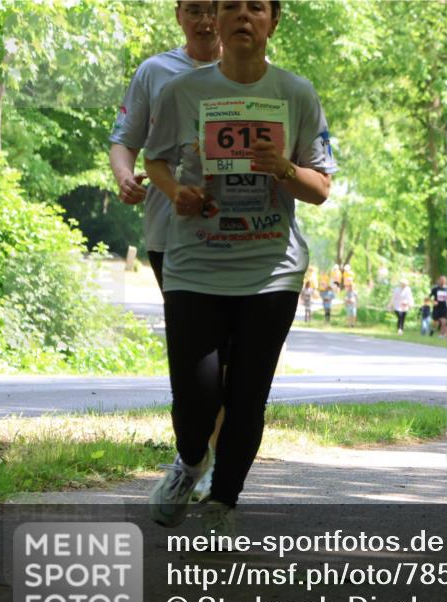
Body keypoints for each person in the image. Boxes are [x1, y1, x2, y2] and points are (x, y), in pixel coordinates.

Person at [144, 0, 337, 533]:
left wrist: (284, 168)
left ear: (274, 20)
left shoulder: (295, 93)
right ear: (217, 18)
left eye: (257, 7)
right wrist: (176, 191)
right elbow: (154, 159)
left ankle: (221, 502)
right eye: (231, 5)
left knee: (248, 395)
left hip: (270, 270)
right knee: (196, 398)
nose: (243, 15)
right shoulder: (182, 90)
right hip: (194, 265)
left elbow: (320, 188)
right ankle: (190, 462)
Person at [110, 1, 222, 290]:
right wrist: (124, 178)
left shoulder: (255, 73)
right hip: (167, 226)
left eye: (213, 10)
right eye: (194, 11)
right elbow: (124, 140)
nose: (205, 22)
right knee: (186, 316)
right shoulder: (154, 71)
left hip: (239, 229)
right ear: (178, 15)